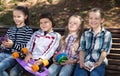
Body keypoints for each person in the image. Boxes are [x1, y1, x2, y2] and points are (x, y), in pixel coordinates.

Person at [74, 8, 112, 76]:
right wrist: (82, 61)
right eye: (91, 18)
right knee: (80, 74)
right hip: (85, 61)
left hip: (98, 62)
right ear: (88, 19)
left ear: (102, 20)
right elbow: (82, 49)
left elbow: (104, 51)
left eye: (96, 18)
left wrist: (99, 62)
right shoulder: (85, 34)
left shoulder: (106, 34)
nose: (93, 20)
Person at [0, 6, 33, 76]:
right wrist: (4, 45)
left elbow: (26, 48)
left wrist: (13, 45)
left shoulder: (28, 30)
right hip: (5, 53)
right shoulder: (11, 29)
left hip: (16, 56)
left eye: (18, 16)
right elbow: (5, 45)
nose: (16, 19)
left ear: (25, 17)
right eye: (14, 16)